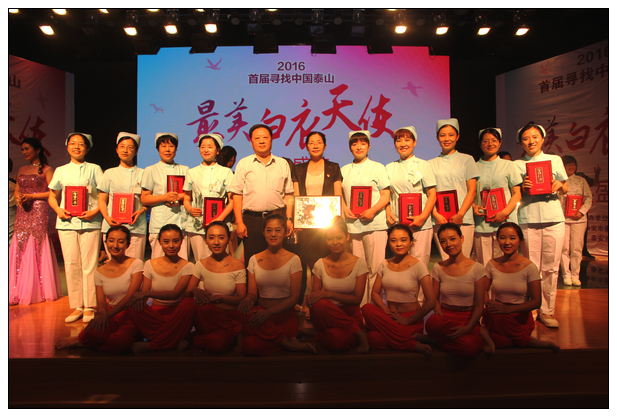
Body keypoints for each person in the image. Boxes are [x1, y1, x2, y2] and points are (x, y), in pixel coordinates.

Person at [54, 226, 144, 353]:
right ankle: (83, 340)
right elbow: (101, 303)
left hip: (131, 314)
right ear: (106, 242)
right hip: (111, 314)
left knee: (120, 343)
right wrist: (101, 314)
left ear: (128, 244)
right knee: (93, 332)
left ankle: (85, 343)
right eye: (111, 241)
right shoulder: (99, 272)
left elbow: (130, 296)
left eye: (121, 241)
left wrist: (106, 316)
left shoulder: (136, 264)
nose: (115, 245)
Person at [512, 124, 567, 328]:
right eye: (526, 138)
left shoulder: (555, 160)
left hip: (554, 218)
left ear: (543, 139)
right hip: (528, 218)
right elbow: (514, 192)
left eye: (535, 137)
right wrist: (523, 188)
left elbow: (565, 187)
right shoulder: (517, 165)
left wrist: (560, 185)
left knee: (551, 267)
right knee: (532, 267)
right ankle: (532, 308)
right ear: (520, 143)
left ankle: (548, 311)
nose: (531, 141)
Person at [238, 213, 315, 355]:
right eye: (269, 230)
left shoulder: (294, 259)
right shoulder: (254, 259)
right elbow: (252, 294)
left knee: (249, 344)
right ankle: (287, 342)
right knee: (244, 316)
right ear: (263, 232)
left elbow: (294, 298)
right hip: (261, 315)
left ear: (286, 232)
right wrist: (248, 300)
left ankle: (282, 340)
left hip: (284, 316)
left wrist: (269, 313)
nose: (273, 234)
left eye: (278, 230)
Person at [49, 133, 103, 323]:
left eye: (81, 144)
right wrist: (58, 210)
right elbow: (52, 196)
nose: (77, 147)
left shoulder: (95, 169)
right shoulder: (60, 170)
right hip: (66, 223)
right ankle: (77, 306)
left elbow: (104, 195)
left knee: (89, 265)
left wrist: (94, 211)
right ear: (67, 147)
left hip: (90, 221)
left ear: (87, 148)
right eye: (73, 143)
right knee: (71, 264)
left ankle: (90, 306)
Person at [483, 223, 560, 352]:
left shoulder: (529, 267)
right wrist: (489, 303)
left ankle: (523, 340)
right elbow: (484, 290)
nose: (507, 242)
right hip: (497, 313)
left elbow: (536, 302)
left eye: (512, 238)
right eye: (502, 238)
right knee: (492, 315)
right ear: (497, 240)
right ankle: (528, 341)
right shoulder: (492, 264)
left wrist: (508, 309)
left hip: (519, 318)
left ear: (520, 241)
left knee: (499, 340)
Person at [420, 223, 494, 357]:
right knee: (431, 323)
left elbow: (479, 305)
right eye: (443, 241)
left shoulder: (477, 268)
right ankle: (476, 332)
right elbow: (434, 299)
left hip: (468, 317)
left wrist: (468, 327)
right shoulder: (438, 267)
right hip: (446, 318)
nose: (448, 244)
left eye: (452, 239)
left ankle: (438, 340)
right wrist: (438, 311)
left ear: (462, 238)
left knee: (469, 348)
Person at [361, 224, 435, 355]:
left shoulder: (419, 266)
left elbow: (431, 302)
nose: (398, 244)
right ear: (389, 242)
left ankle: (406, 342)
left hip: (411, 318)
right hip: (391, 317)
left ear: (411, 242)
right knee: (368, 314)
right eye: (393, 240)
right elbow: (375, 293)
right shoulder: (384, 264)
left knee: (375, 338)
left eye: (403, 240)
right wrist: (385, 309)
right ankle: (408, 341)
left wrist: (407, 320)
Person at [229, 124, 294, 267]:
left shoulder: (282, 163)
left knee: (278, 261)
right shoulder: (244, 164)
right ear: (251, 142)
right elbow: (237, 195)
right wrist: (239, 222)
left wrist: (289, 219)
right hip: (252, 220)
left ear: (271, 140)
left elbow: (289, 194)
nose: (262, 141)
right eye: (257, 138)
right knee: (253, 262)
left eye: (265, 137)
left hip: (277, 218)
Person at [125, 224, 195, 353]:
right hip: (155, 315)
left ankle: (153, 345)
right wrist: (139, 302)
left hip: (176, 314)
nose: (171, 246)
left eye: (175, 241)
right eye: (166, 241)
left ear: (181, 241)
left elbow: (175, 294)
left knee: (189, 303)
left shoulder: (188, 266)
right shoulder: (150, 264)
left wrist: (146, 294)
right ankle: (174, 339)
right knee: (133, 306)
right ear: (159, 242)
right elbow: (144, 295)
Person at [9, 138, 61, 306]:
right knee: (20, 244)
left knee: (37, 244)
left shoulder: (47, 169)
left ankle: (39, 290)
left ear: (37, 150)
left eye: (27, 148)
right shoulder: (22, 169)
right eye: (22, 149)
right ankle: (17, 290)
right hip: (23, 209)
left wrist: (32, 197)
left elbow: (52, 193)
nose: (24, 152)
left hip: (39, 209)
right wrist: (19, 197)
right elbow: (17, 190)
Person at [341, 130, 390, 306]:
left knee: (375, 268)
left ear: (369, 146)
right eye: (354, 144)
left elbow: (385, 195)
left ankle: (374, 308)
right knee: (359, 270)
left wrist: (372, 211)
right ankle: (360, 308)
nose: (359, 147)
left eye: (363, 143)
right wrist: (344, 208)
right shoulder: (344, 170)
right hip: (353, 226)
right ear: (350, 147)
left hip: (375, 224)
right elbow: (340, 195)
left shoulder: (378, 167)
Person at [293, 131, 344, 302]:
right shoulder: (299, 169)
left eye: (319, 142)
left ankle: (325, 300)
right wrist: (296, 219)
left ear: (325, 146)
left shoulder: (333, 167)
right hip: (306, 226)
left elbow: (338, 196)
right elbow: (296, 196)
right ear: (306, 146)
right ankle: (304, 302)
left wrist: (338, 222)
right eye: (311, 142)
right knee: (305, 262)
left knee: (326, 263)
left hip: (327, 226)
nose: (315, 145)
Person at [307, 217, 369, 353]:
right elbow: (315, 297)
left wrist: (329, 294)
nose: (334, 242)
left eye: (339, 237)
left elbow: (357, 299)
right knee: (319, 304)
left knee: (337, 340)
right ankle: (358, 333)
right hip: (326, 316)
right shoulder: (320, 264)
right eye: (330, 238)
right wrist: (310, 299)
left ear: (347, 236)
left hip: (350, 316)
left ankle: (318, 334)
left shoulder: (359, 263)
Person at [186, 221, 247, 353]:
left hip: (229, 316)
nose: (216, 242)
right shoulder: (201, 264)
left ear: (229, 239)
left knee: (218, 342)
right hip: (208, 316)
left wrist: (220, 298)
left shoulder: (237, 265)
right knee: (193, 307)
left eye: (221, 237)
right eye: (211, 238)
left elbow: (242, 298)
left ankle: (193, 338)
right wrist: (195, 290)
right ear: (206, 240)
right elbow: (187, 293)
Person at [385, 126, 437, 267]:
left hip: (420, 223)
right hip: (398, 223)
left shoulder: (424, 165)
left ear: (414, 142)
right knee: (400, 263)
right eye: (399, 141)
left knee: (419, 263)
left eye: (407, 140)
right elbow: (387, 194)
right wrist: (388, 211)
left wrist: (422, 217)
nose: (403, 144)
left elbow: (432, 195)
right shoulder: (389, 167)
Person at [429, 119, 479, 260]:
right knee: (446, 260)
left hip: (463, 218)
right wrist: (435, 214)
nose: (447, 139)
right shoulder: (430, 164)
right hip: (440, 219)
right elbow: (428, 194)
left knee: (464, 259)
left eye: (451, 135)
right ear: (437, 137)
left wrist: (460, 214)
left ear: (457, 137)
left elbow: (472, 191)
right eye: (442, 135)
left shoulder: (467, 160)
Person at [471, 128, 522, 266]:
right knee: (483, 264)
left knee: (506, 265)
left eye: (494, 140)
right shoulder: (473, 167)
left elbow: (517, 194)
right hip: (482, 223)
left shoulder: (509, 165)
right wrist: (474, 207)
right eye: (485, 141)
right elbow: (469, 193)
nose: (490, 144)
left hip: (505, 221)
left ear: (500, 143)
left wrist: (504, 213)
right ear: (480, 144)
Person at [183, 134, 234, 262]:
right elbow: (186, 198)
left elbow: (233, 201)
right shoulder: (192, 172)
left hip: (220, 224)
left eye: (210, 147)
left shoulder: (226, 172)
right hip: (197, 225)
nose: (206, 150)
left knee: (221, 261)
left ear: (217, 150)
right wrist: (190, 209)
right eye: (203, 147)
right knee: (200, 261)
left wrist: (220, 218)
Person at [98, 132, 148, 261]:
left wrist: (142, 210)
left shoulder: (144, 173)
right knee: (114, 265)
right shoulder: (109, 173)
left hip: (136, 226)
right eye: (122, 146)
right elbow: (102, 199)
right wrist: (107, 218)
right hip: (112, 226)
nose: (125, 150)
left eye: (130, 147)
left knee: (135, 265)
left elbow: (148, 199)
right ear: (116, 150)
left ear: (136, 152)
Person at [141, 132, 190, 260]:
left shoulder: (185, 169)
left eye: (171, 146)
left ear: (176, 149)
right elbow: (144, 198)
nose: (167, 150)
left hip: (181, 223)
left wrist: (179, 197)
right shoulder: (151, 170)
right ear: (158, 149)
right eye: (163, 146)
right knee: (159, 264)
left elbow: (190, 194)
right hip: (160, 223)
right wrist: (164, 197)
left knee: (182, 264)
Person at [559, 155, 593, 286]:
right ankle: (566, 274)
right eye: (568, 165)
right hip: (563, 219)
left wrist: (581, 212)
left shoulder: (581, 180)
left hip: (579, 220)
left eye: (573, 165)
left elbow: (588, 198)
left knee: (577, 248)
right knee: (564, 249)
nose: (571, 167)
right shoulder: (559, 181)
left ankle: (575, 275)